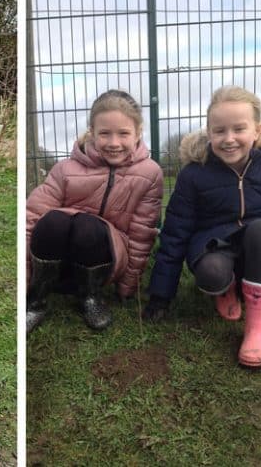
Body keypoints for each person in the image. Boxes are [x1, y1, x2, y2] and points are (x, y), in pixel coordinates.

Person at [143, 86, 261, 367]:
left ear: (257, 129)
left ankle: (256, 329)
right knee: (213, 273)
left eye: (239, 129)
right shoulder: (194, 174)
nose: (229, 139)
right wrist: (160, 297)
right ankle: (227, 287)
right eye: (219, 130)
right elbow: (175, 234)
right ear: (209, 131)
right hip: (216, 247)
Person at [26, 89, 163, 333]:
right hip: (59, 264)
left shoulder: (149, 173)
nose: (113, 143)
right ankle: (36, 300)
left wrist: (128, 286)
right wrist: (22, 279)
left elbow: (142, 234)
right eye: (104, 134)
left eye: (123, 133)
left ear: (138, 133)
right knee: (53, 220)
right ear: (91, 131)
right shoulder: (65, 169)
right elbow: (31, 218)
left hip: (106, 259)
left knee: (88, 226)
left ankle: (90, 297)